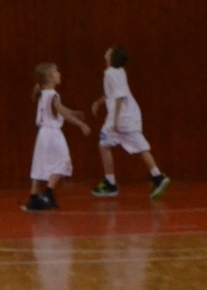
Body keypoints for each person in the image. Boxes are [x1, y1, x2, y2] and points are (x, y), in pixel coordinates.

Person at [89, 46, 170, 199]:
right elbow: (113, 93)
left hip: (121, 117)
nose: (106, 51)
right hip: (131, 115)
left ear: (112, 57)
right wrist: (99, 102)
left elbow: (119, 96)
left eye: (109, 51)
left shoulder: (110, 73)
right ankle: (157, 176)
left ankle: (110, 183)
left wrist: (115, 121)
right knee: (141, 147)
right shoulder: (120, 71)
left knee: (103, 145)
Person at [26, 63, 91, 211]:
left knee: (39, 165)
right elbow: (62, 113)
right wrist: (81, 124)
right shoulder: (53, 95)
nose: (59, 74)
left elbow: (59, 109)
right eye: (56, 72)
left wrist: (73, 112)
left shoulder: (43, 93)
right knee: (64, 162)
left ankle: (33, 198)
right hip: (53, 134)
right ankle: (47, 194)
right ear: (50, 77)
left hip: (42, 134)